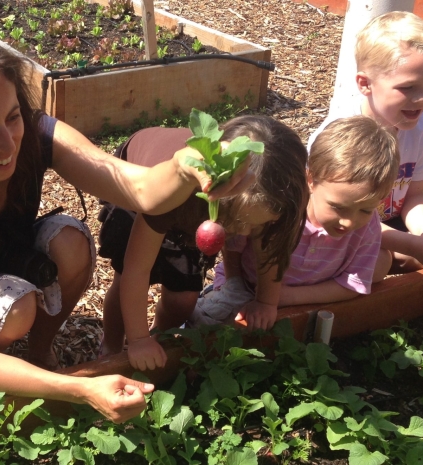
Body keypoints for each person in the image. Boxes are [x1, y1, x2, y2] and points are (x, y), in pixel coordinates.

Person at [0, 34, 253, 423]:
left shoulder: (37, 135)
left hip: (8, 260)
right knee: (15, 309)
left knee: (72, 241)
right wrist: (81, 389)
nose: (8, 142)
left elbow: (139, 189)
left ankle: (39, 353)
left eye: (12, 117)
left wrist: (183, 167)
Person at [97, 115, 308, 370]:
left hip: (199, 216)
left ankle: (160, 337)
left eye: (257, 226)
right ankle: (111, 346)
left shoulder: (273, 198)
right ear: (219, 193)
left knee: (183, 298)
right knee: (124, 278)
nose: (246, 233)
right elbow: (136, 270)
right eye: (240, 223)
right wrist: (137, 340)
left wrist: (266, 302)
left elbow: (267, 248)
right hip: (139, 187)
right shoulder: (174, 193)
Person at [192, 116, 400, 328]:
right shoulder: (280, 208)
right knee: (210, 326)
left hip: (307, 296)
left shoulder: (368, 226)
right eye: (338, 207)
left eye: (365, 210)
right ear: (311, 180)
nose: (349, 221)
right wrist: (236, 285)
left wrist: (284, 298)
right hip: (248, 286)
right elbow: (233, 246)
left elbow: (353, 283)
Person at [307, 11, 423, 273]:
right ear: (365, 83)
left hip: (386, 223)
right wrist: (411, 244)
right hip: (341, 225)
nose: (422, 99)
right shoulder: (343, 135)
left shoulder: (422, 125)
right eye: (408, 87)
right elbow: (336, 215)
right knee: (381, 263)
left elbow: (417, 193)